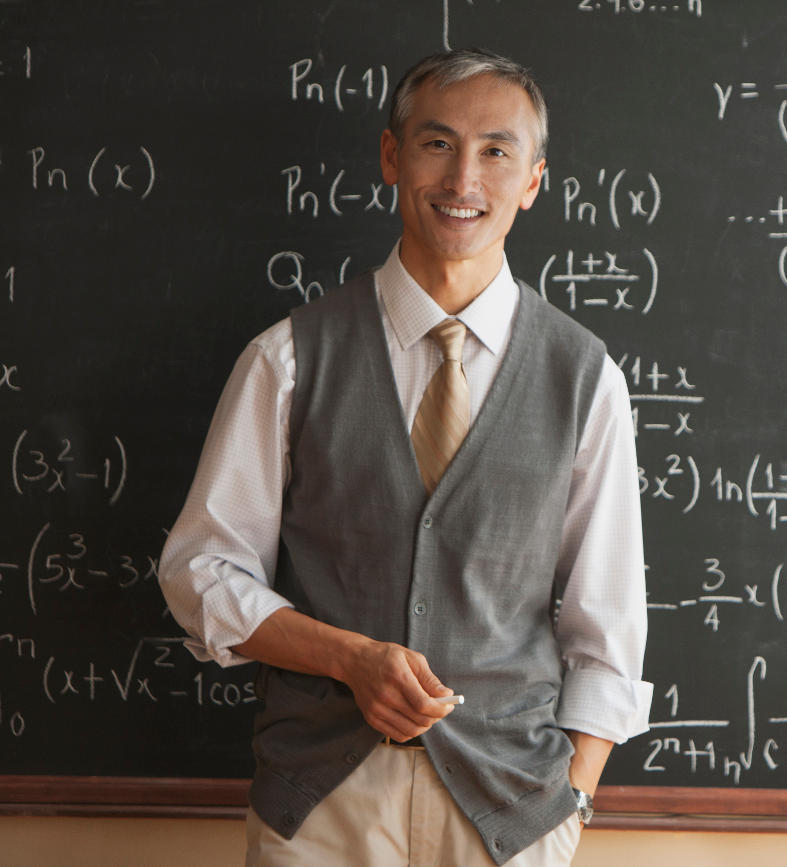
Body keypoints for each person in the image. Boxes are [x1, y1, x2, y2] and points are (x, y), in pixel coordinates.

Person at [159, 48, 651, 866]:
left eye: (497, 151)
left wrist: (576, 801)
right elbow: (200, 569)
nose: (464, 178)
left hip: (512, 813)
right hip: (321, 805)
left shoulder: (586, 377)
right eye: (437, 144)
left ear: (532, 180)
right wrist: (348, 657)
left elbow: (608, 623)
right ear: (391, 157)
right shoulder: (287, 359)